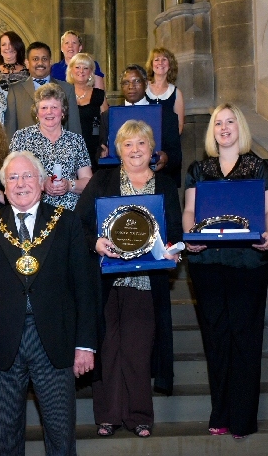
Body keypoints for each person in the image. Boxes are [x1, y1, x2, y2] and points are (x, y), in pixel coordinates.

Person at [0, 151, 96, 455]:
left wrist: (85, 344)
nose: (20, 183)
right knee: (5, 439)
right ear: (4, 186)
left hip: (55, 342)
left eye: (27, 176)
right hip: (1, 343)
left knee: (61, 437)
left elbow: (84, 289)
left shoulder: (67, 222)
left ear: (41, 181)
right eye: (13, 177)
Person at [74, 119, 182, 439]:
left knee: (137, 350)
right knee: (107, 349)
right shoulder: (103, 181)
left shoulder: (164, 187)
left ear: (151, 149)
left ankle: (139, 416)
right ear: (119, 150)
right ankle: (107, 415)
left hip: (146, 282)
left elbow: (174, 233)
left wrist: (173, 251)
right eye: (128, 144)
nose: (135, 150)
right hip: (105, 280)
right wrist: (95, 243)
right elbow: (77, 224)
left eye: (141, 143)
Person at [183, 103, 268, 439]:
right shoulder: (198, 170)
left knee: (245, 338)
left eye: (230, 122)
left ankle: (243, 419)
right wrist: (190, 236)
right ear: (212, 131)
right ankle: (220, 413)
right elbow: (190, 211)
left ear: (240, 128)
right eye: (218, 123)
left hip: (247, 264)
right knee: (216, 339)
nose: (224, 128)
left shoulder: (261, 168)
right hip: (207, 264)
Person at [10, 83, 92, 210]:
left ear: (63, 111)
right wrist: (42, 184)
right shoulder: (22, 137)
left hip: (71, 212)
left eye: (54, 107)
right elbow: (12, 178)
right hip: (34, 210)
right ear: (36, 112)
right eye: (44, 108)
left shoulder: (76, 140)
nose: (49, 112)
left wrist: (69, 185)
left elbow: (88, 181)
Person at [100, 64, 182, 187]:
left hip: (158, 181)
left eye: (136, 81)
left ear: (146, 84)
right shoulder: (108, 116)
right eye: (126, 82)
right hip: (119, 183)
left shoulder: (166, 115)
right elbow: (100, 150)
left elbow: (176, 154)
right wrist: (102, 153)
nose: (131, 86)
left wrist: (166, 158)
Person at [5, 41, 82, 139]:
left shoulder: (67, 89)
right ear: (27, 63)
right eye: (35, 59)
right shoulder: (15, 90)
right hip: (25, 152)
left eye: (44, 59)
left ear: (50, 62)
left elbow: (74, 128)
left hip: (59, 151)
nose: (40, 63)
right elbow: (10, 130)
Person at [66, 52, 108, 172]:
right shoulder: (63, 93)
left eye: (86, 68)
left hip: (93, 147)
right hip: (68, 147)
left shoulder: (99, 94)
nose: (81, 71)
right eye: (77, 67)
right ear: (71, 70)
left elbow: (106, 123)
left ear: (90, 72)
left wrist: (104, 145)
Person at [145, 47, 185, 135]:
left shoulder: (176, 93)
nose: (160, 63)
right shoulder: (143, 88)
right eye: (156, 60)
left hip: (168, 145)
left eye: (164, 59)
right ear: (151, 65)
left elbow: (180, 125)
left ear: (170, 65)